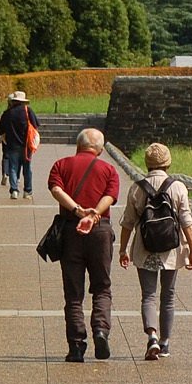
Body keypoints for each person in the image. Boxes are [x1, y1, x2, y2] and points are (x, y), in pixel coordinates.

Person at [118, 142, 192, 361]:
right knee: (168, 297)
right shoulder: (178, 187)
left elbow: (127, 223)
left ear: (147, 163)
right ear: (168, 162)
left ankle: (151, 336)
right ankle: (164, 343)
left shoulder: (137, 187)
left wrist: (123, 250)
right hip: (171, 249)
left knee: (148, 296)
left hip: (145, 248)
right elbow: (186, 221)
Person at [46, 127, 120, 361]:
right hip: (100, 232)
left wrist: (78, 211)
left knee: (73, 293)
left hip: (70, 231)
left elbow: (56, 189)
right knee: (102, 287)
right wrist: (94, 214)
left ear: (78, 145)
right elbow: (110, 196)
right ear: (99, 149)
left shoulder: (61, 165)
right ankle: (100, 330)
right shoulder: (109, 169)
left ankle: (76, 345)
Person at [0, 89, 40, 199]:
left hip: (12, 145)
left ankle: (14, 190)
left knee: (12, 167)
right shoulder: (28, 111)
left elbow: (1, 131)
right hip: (27, 145)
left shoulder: (7, 114)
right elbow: (35, 126)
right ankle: (27, 191)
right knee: (27, 168)